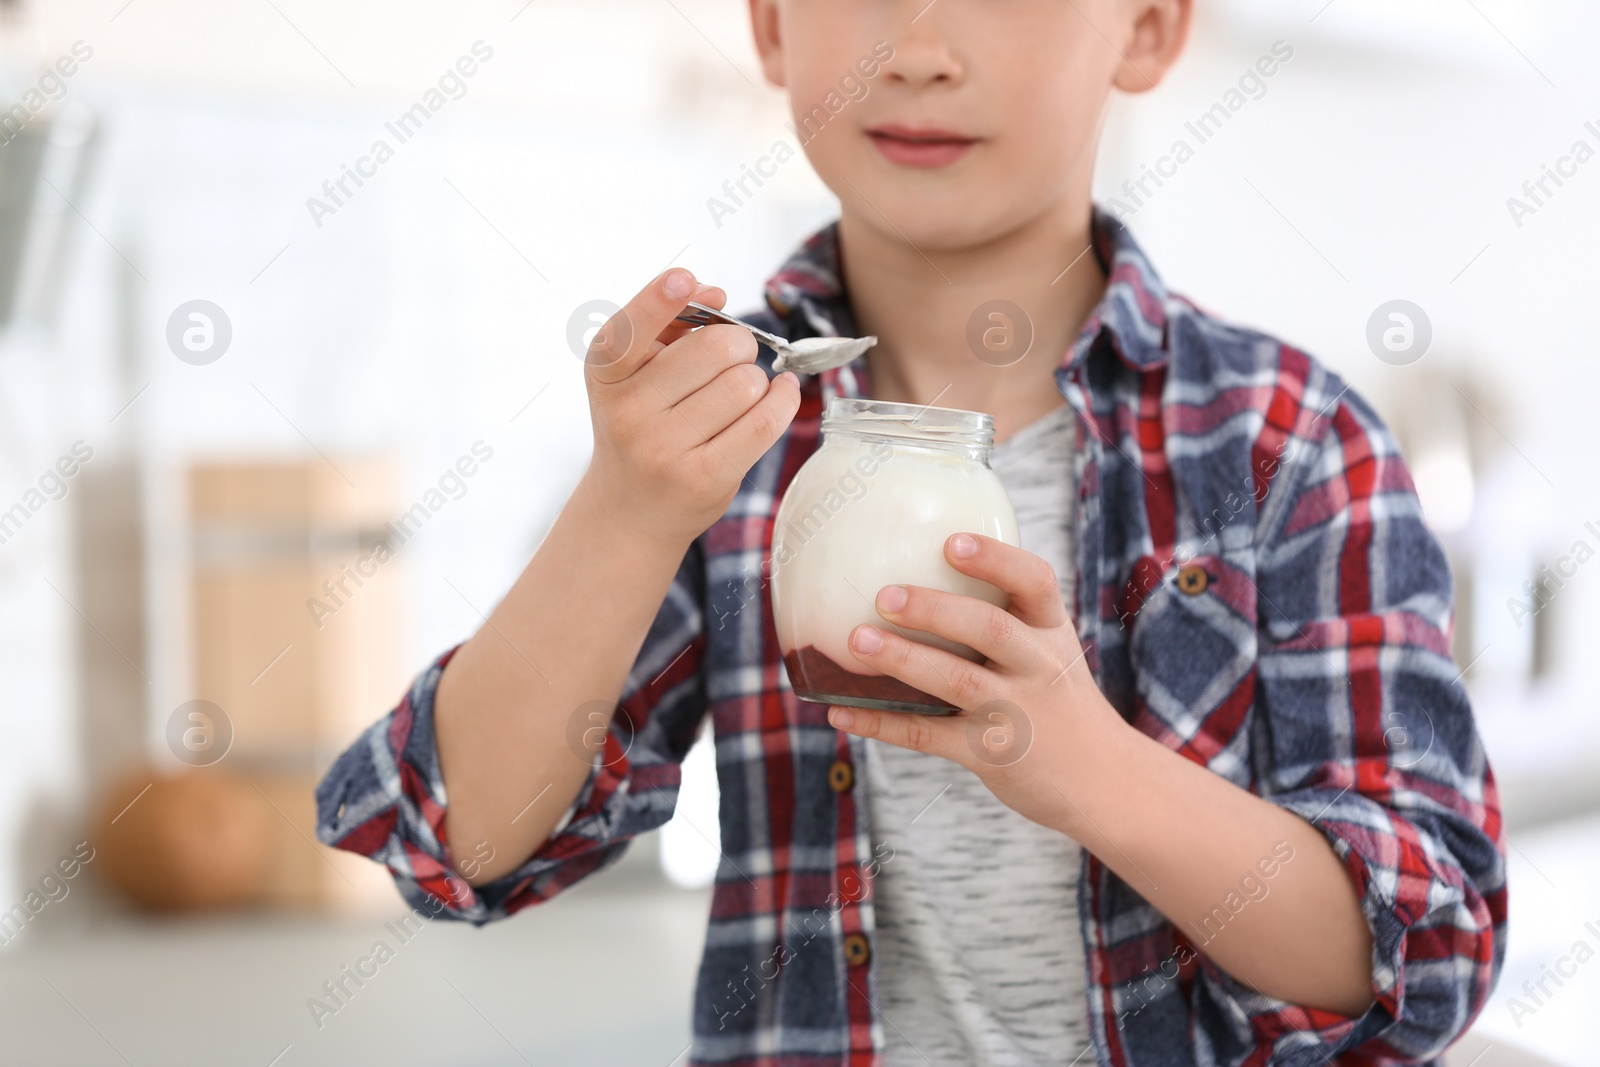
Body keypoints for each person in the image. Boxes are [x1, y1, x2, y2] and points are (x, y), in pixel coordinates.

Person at [315, 1, 1507, 1064]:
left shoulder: (1288, 442)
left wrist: (1091, 770)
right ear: (771, 24)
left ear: (1147, 28)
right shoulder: (717, 440)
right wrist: (624, 513)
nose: (922, 51)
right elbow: (452, 841)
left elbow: (1427, 948)